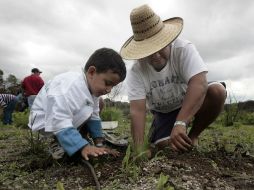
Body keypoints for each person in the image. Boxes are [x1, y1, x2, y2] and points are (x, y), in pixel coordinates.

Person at [120, 5, 227, 153]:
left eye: (159, 47)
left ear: (167, 40)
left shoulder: (183, 49)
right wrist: (139, 149)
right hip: (164, 112)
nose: (156, 55)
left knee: (217, 91)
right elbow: (138, 110)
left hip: (190, 100)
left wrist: (181, 122)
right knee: (168, 148)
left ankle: (193, 135)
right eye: (149, 51)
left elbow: (199, 83)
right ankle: (170, 137)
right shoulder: (136, 71)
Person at [28, 48, 126, 161]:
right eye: (108, 83)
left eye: (113, 86)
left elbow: (94, 115)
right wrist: (83, 146)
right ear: (91, 72)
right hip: (44, 122)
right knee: (83, 111)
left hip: (57, 118)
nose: (109, 90)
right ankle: (63, 143)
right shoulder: (70, 88)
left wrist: (100, 144)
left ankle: (77, 139)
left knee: (99, 103)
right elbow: (59, 119)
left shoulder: (91, 90)